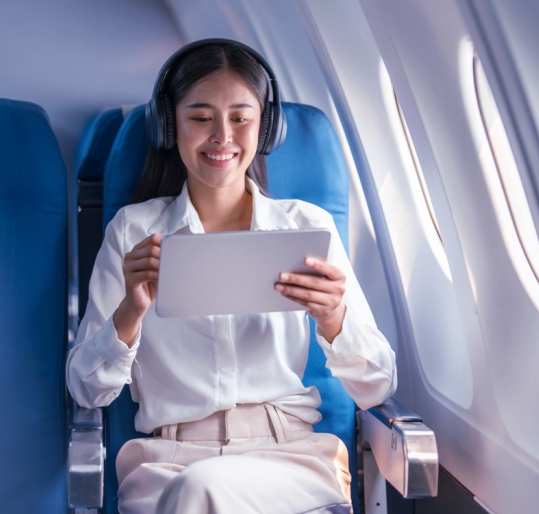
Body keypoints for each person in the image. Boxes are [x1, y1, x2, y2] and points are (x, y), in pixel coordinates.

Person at [66, 39, 396, 514]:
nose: (222, 136)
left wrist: (333, 319)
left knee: (202, 494)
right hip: (168, 468)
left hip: (291, 463)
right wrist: (129, 313)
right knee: (198, 490)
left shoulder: (306, 227)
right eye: (201, 118)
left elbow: (378, 387)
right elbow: (86, 390)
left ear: (265, 128)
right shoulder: (133, 233)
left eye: (240, 118)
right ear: (169, 126)